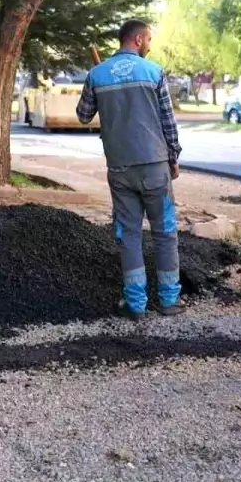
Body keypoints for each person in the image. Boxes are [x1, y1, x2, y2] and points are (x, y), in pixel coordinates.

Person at [76, 19, 185, 319]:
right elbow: (167, 121)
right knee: (164, 232)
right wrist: (173, 155)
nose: (149, 44)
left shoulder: (97, 75)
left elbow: (84, 115)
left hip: (120, 167)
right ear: (137, 40)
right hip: (154, 166)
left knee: (129, 235)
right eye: (148, 39)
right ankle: (169, 300)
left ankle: (136, 304)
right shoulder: (153, 72)